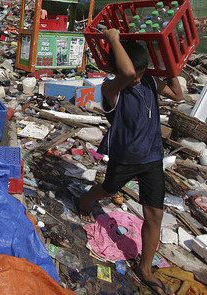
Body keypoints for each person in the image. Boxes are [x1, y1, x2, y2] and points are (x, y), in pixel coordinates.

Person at [78, 28, 182, 295]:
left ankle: (145, 268)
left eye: (141, 72)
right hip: (125, 158)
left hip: (152, 157)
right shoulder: (111, 89)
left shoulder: (148, 81)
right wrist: (113, 39)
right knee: (109, 189)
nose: (136, 78)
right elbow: (125, 74)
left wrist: (168, 66)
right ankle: (86, 200)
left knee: (155, 213)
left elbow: (177, 94)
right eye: (133, 72)